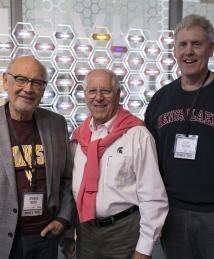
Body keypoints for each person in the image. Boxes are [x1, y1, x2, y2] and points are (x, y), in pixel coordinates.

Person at [62, 68, 168, 259]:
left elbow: (152, 196)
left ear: (118, 94)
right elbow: (72, 189)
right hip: (85, 232)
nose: (98, 97)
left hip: (124, 233)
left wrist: (144, 249)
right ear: (85, 95)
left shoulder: (137, 135)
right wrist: (69, 233)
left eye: (106, 91)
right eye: (92, 91)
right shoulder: (79, 138)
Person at [145, 14, 214, 259]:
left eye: (196, 44)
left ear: (211, 49)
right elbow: (149, 159)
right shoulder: (160, 99)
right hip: (172, 211)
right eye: (182, 45)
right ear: (174, 51)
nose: (189, 52)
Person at [0, 55, 74, 259]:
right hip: (4, 238)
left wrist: (63, 219)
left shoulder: (56, 124)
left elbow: (68, 179)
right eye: (21, 79)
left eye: (37, 82)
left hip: (45, 236)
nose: (28, 89)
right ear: (6, 80)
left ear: (43, 89)